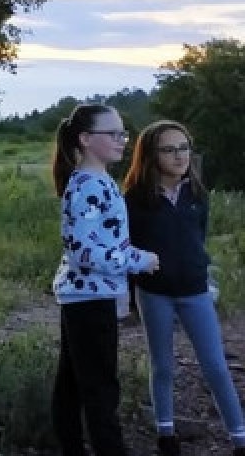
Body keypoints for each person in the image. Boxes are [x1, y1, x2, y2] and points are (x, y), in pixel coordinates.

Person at [124, 120, 245, 456]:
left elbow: (197, 239)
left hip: (195, 292)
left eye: (184, 148)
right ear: (150, 155)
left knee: (216, 366)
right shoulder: (134, 199)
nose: (179, 156)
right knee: (163, 364)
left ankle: (239, 438)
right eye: (168, 149)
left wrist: (200, 273)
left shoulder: (197, 194)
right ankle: (166, 434)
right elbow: (128, 247)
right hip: (154, 293)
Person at [52, 103, 160, 456]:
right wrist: (138, 260)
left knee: (73, 385)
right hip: (88, 299)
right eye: (112, 134)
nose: (122, 140)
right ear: (85, 139)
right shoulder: (87, 186)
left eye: (122, 133)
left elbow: (100, 241)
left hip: (86, 297)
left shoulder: (98, 181)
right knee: (100, 390)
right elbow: (82, 251)